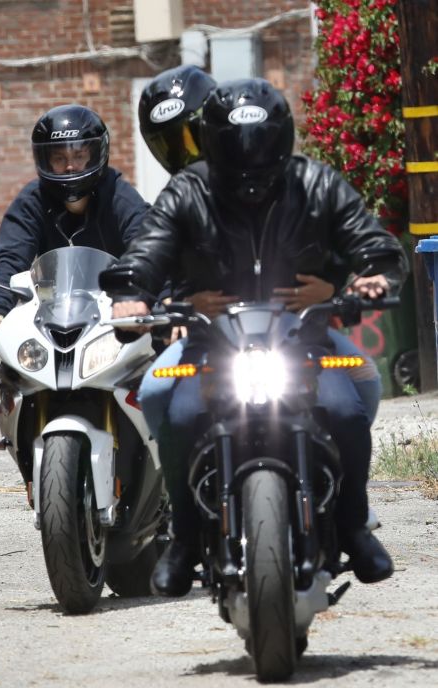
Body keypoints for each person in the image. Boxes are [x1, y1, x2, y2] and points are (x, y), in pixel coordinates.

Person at [110, 78, 408, 597]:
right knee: (172, 408)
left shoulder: (316, 183)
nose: (250, 159)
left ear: (282, 138)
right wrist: (133, 294)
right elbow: (148, 250)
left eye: (261, 144)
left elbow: (372, 243)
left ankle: (355, 524)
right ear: (213, 141)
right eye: (236, 145)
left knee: (347, 406)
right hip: (212, 341)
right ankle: (182, 537)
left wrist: (366, 278)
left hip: (305, 340)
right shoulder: (189, 190)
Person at [138, 65, 383, 430]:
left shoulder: (296, 185)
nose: (189, 155)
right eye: (173, 144)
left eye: (194, 139)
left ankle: (344, 483)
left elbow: (335, 246)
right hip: (212, 339)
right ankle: (179, 486)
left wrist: (337, 286)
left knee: (360, 387)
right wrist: (170, 307)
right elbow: (151, 260)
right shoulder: (180, 198)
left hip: (296, 335)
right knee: (156, 392)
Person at [0, 103, 149, 345]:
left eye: (79, 156)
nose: (70, 166)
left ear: (95, 154)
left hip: (117, 317)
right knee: (12, 374)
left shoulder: (119, 197)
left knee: (157, 365)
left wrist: (156, 299)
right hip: (51, 320)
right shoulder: (31, 200)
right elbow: (11, 258)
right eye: (59, 158)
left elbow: (147, 249)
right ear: (45, 160)